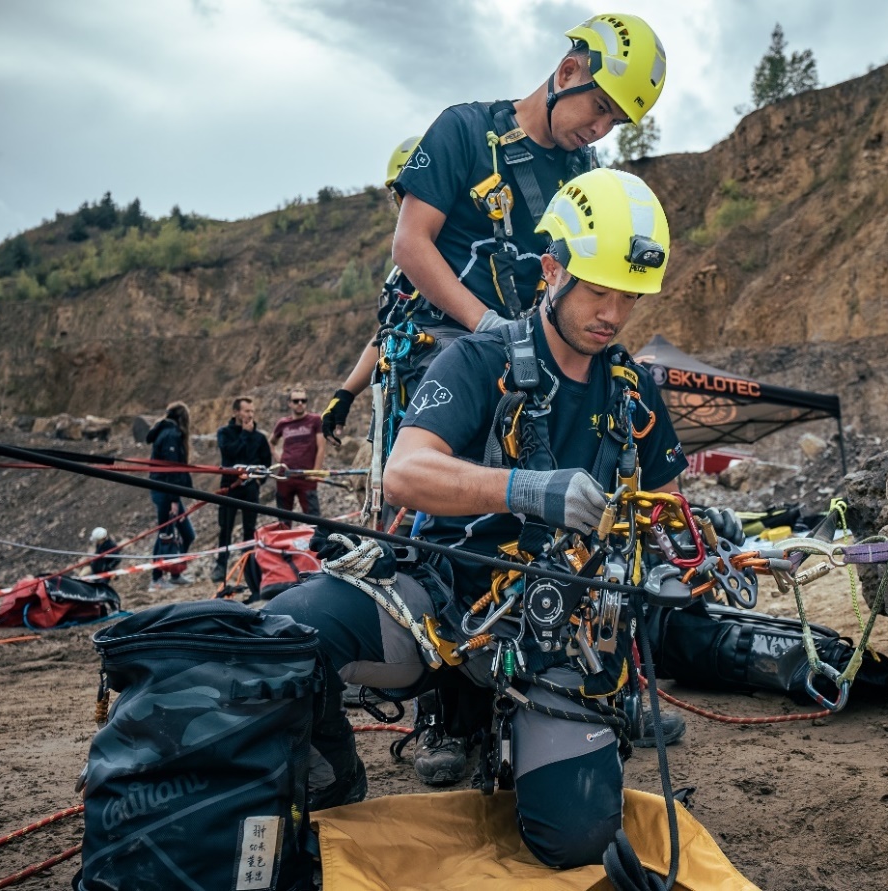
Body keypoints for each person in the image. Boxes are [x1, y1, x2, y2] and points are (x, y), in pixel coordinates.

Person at [269, 169, 685, 867]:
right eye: (599, 289)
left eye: (629, 296)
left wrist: (672, 560)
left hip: (563, 634)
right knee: (285, 635)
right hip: (437, 602)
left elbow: (670, 507)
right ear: (552, 269)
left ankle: (527, 735)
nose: (613, 311)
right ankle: (334, 770)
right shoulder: (479, 358)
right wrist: (526, 488)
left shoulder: (631, 390)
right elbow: (404, 472)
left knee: (577, 839)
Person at [319, 12, 668, 446]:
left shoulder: (585, 172)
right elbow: (410, 244)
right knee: (428, 495)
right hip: (444, 346)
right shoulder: (464, 130)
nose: (599, 130)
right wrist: (484, 324)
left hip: (530, 357)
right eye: (600, 107)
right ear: (567, 71)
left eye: (614, 122)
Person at [211, 396, 273, 587]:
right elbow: (230, 453)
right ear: (236, 412)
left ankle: (249, 567)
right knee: (226, 528)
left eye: (252, 411)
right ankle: (221, 565)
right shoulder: (225, 433)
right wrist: (245, 435)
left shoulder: (260, 437)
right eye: (246, 411)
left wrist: (259, 481)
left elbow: (266, 461)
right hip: (230, 486)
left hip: (250, 489)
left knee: (249, 529)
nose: (250, 415)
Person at [144, 402, 196, 592]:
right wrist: (174, 499)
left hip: (166, 489)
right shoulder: (171, 435)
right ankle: (156, 578)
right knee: (165, 535)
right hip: (165, 491)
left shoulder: (166, 432)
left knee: (187, 534)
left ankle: (175, 572)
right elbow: (172, 469)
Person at [270, 384, 325, 517]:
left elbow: (321, 447)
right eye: (296, 401)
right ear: (289, 403)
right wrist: (279, 459)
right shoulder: (283, 423)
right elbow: (271, 442)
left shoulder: (315, 420)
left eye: (303, 400)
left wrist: (315, 472)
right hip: (285, 476)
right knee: (283, 518)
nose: (300, 403)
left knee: (313, 519)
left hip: (306, 476)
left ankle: (315, 538)